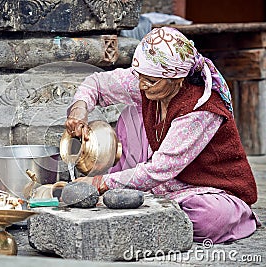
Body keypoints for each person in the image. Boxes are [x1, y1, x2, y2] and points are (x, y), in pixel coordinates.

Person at [65, 27, 260, 243]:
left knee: (208, 218)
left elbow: (160, 169)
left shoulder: (201, 108)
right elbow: (98, 84)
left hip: (210, 190)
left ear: (176, 79)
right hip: (165, 183)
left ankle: (237, 217)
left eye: (150, 81)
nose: (141, 85)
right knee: (132, 112)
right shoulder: (149, 79)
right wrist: (79, 111)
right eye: (140, 76)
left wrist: (100, 183)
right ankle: (143, 203)